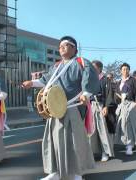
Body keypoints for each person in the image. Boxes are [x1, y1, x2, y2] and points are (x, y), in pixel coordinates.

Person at [22, 36, 99, 180]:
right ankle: (55, 172)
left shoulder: (82, 63)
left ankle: (77, 173)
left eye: (66, 45)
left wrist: (86, 94)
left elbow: (90, 80)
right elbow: (44, 80)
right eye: (60, 46)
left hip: (72, 107)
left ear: (74, 48)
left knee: (74, 142)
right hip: (55, 109)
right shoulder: (56, 66)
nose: (61, 48)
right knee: (53, 141)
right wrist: (31, 83)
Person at [114, 63, 136, 156]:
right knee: (122, 125)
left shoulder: (133, 81)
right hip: (121, 105)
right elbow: (116, 94)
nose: (125, 71)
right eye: (123, 69)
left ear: (129, 70)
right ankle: (126, 143)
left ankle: (130, 145)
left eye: (127, 69)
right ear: (120, 71)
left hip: (130, 104)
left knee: (130, 125)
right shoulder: (118, 82)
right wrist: (118, 99)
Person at [89, 60, 114, 162]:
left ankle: (105, 152)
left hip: (100, 106)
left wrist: (106, 107)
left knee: (102, 130)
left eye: (94, 67)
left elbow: (109, 95)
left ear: (99, 68)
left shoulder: (105, 80)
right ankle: (92, 151)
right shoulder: (89, 79)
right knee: (91, 131)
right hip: (90, 106)